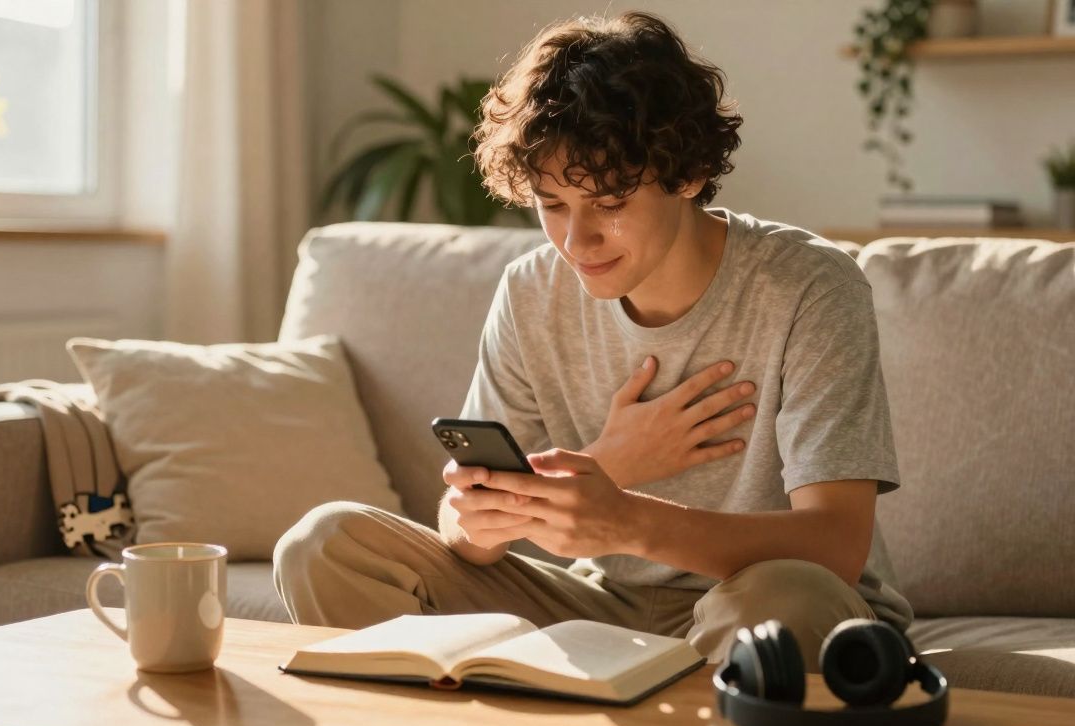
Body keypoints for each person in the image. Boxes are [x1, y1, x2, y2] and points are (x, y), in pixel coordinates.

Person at [274, 11, 912, 670]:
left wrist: (627, 519)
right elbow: (463, 531)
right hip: (606, 605)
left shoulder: (809, 286)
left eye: (608, 203)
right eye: (552, 206)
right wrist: (580, 476)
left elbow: (838, 545)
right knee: (325, 545)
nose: (576, 242)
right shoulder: (530, 293)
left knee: (775, 608)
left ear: (687, 174)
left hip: (773, 600)